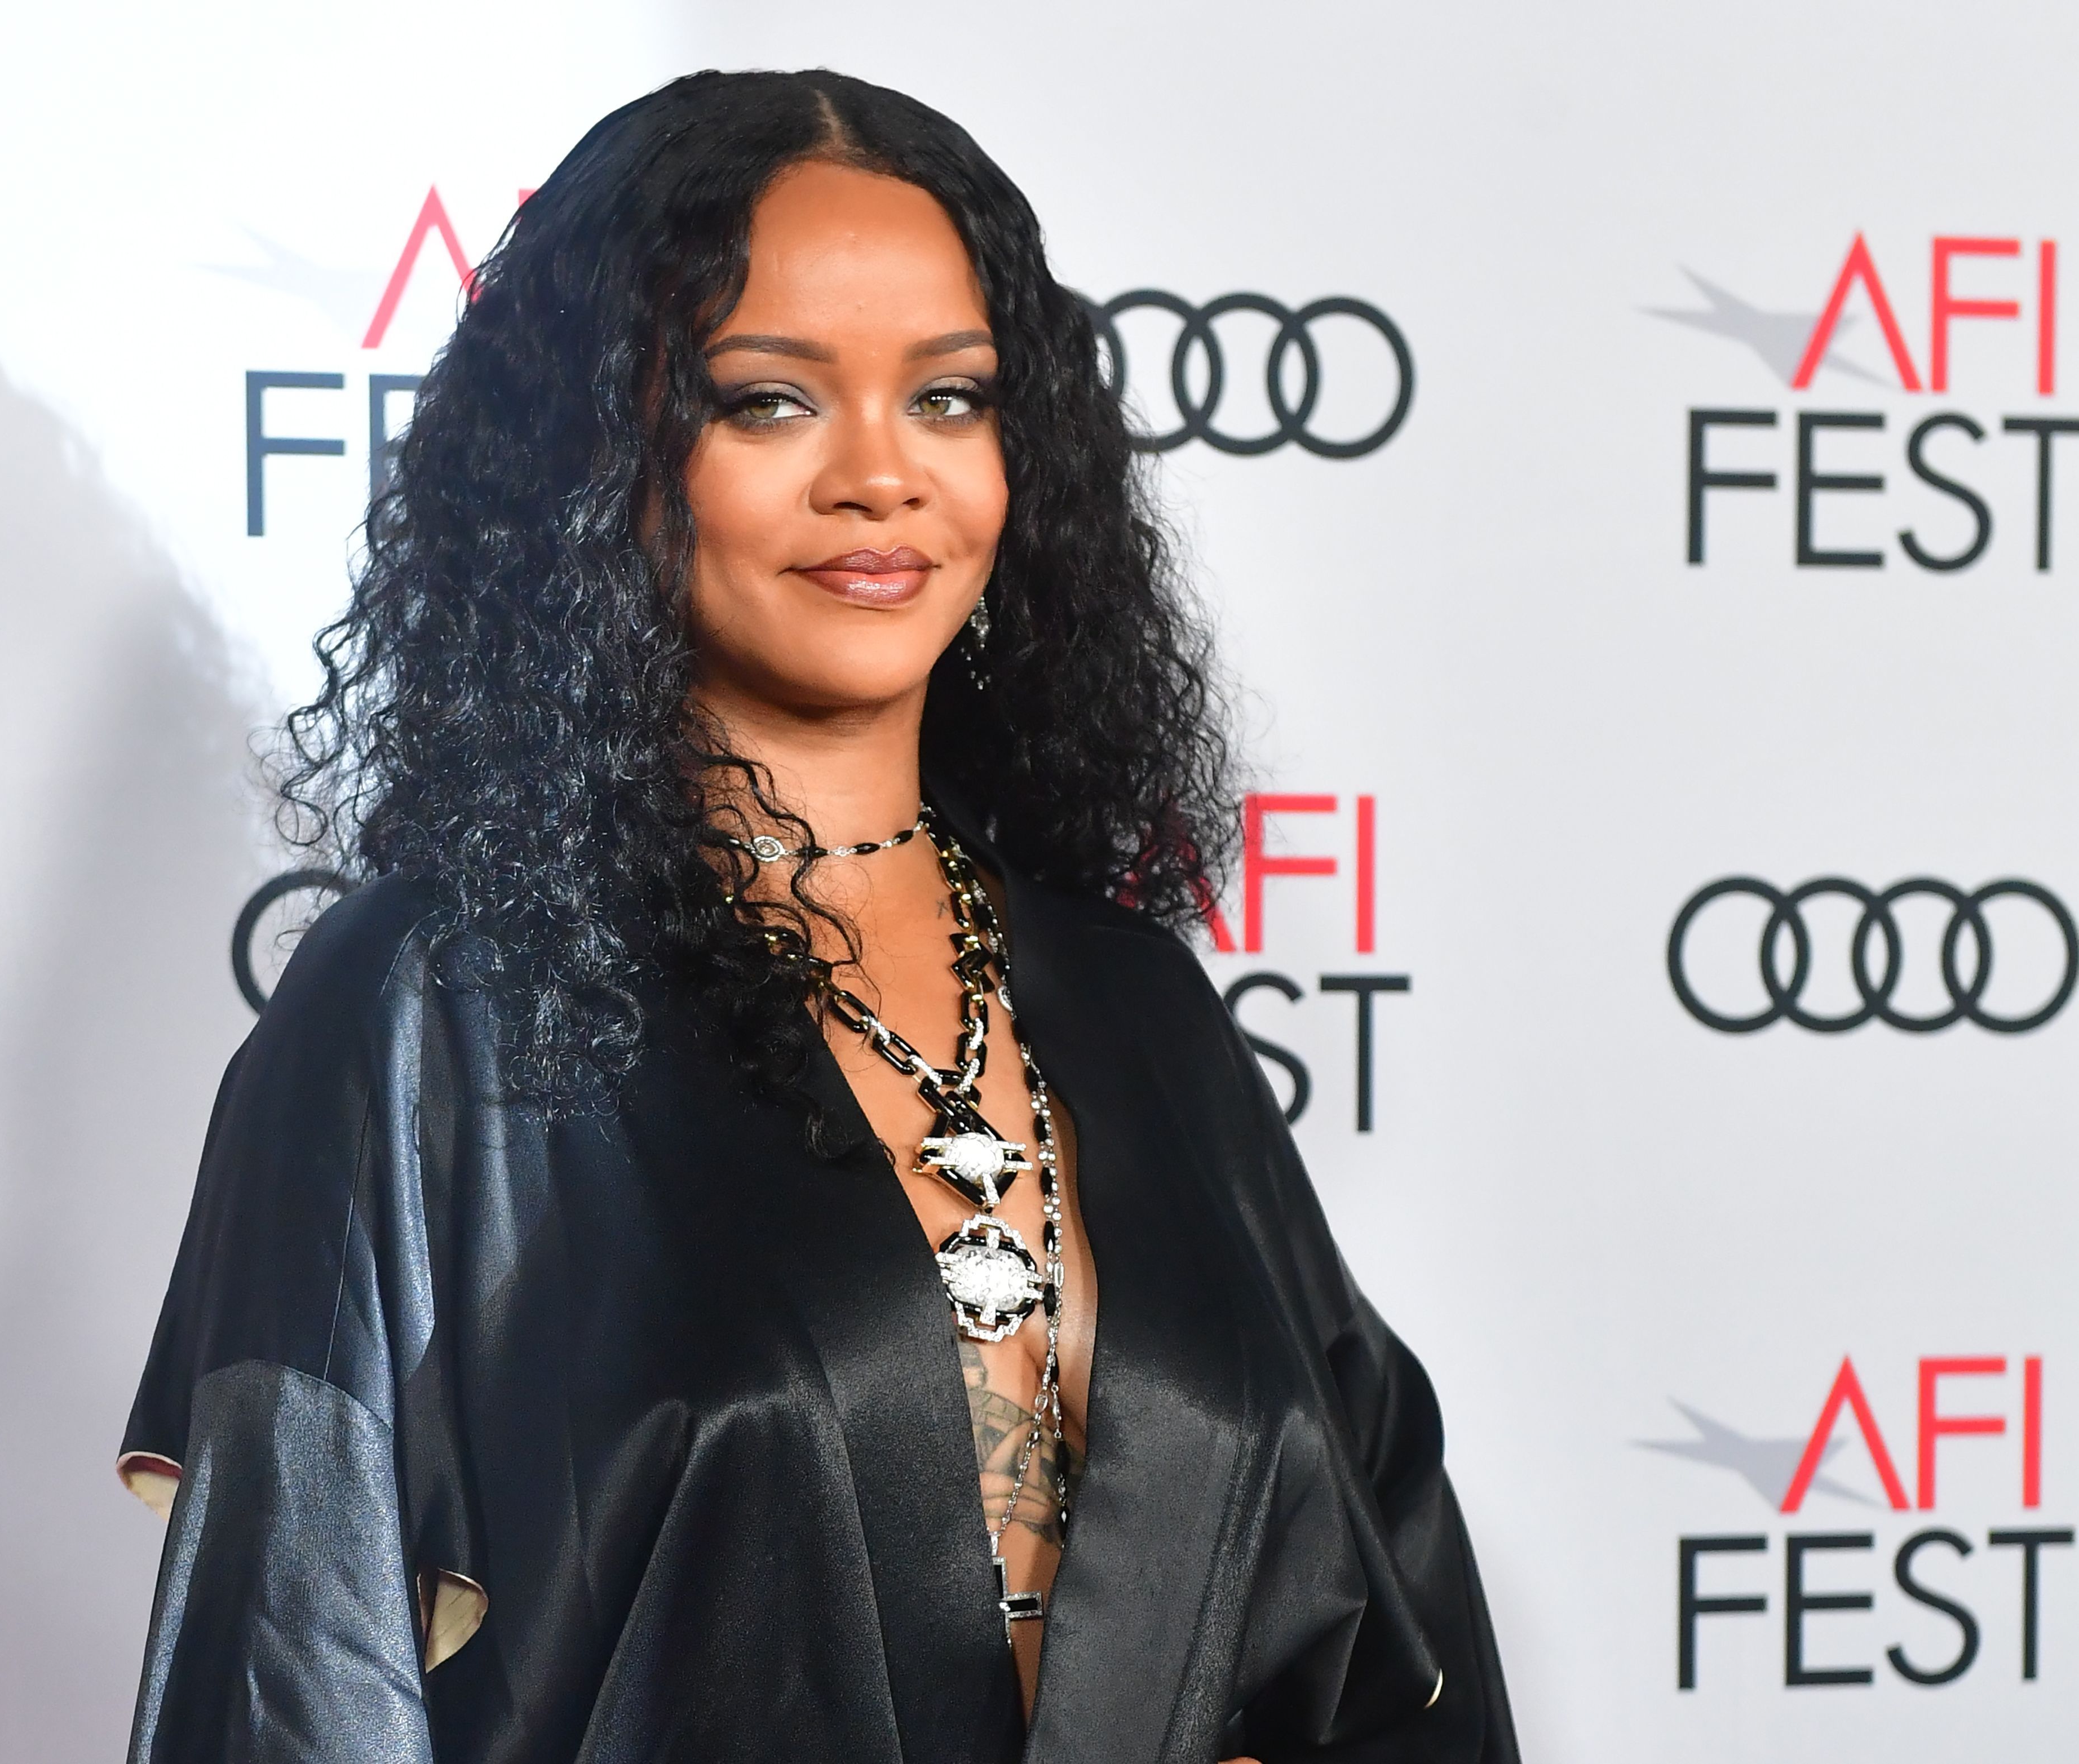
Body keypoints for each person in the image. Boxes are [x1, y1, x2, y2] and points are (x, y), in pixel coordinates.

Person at [116, 68, 1516, 1764]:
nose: (881, 476)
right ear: (600, 456)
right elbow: (292, 1680)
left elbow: (1390, 1634)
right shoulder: (432, 1012)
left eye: (948, 398)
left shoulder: (1135, 1003)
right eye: (769, 401)